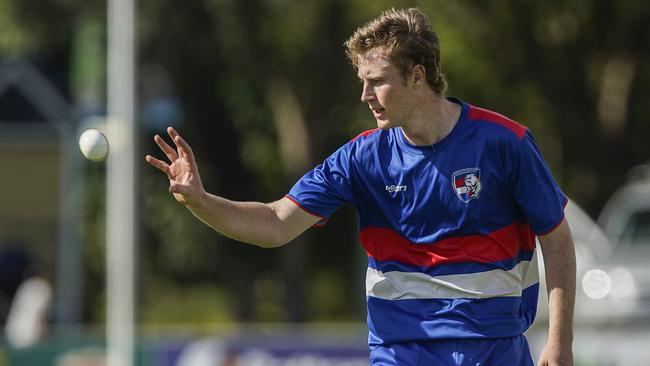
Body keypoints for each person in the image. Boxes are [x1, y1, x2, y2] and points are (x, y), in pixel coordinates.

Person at [146, 7, 575, 366]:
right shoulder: (361, 157)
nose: (365, 94)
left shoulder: (506, 143)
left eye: (377, 80)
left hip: (493, 348)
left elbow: (555, 239)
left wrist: (559, 341)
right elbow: (276, 223)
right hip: (401, 349)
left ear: (417, 76)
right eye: (361, 81)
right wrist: (199, 201)